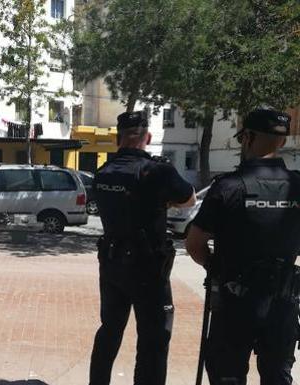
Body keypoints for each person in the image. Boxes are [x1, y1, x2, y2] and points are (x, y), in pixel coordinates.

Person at [186, 108, 300, 385]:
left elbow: (194, 244)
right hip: (283, 303)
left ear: (247, 137)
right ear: (282, 142)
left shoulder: (229, 186)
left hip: (236, 301)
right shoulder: (297, 186)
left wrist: (213, 265)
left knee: (228, 375)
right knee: (277, 376)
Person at [89, 110, 196, 385]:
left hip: (112, 264)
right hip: (148, 270)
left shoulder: (102, 173)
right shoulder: (157, 171)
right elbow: (189, 200)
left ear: (117, 139)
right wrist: (164, 201)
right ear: (147, 138)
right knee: (154, 339)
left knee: (109, 331)